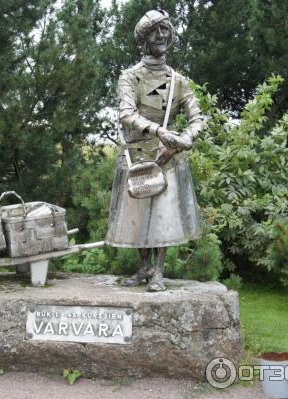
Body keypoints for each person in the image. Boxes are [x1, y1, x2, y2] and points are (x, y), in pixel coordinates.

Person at [105, 9, 204, 292]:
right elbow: (126, 113)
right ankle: (145, 267)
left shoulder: (178, 80)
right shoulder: (130, 77)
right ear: (144, 38)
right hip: (136, 155)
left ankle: (158, 271)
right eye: (155, 31)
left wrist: (184, 139)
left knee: (164, 214)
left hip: (167, 157)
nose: (162, 36)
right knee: (136, 214)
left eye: (166, 30)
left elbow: (197, 118)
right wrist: (160, 131)